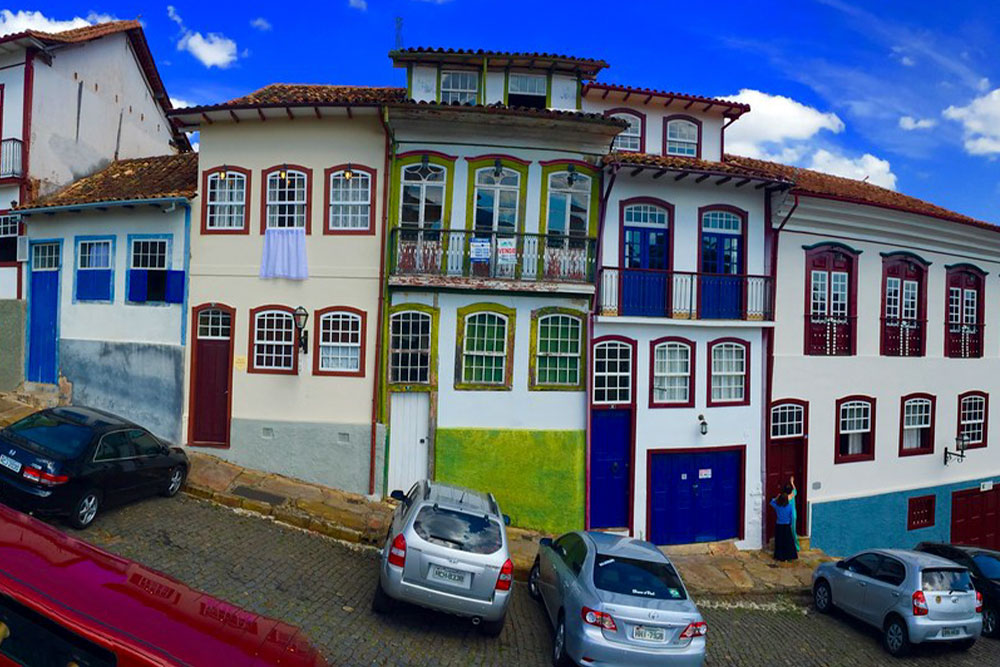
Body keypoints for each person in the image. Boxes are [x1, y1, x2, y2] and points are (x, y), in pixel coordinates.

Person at [770, 484, 798, 561]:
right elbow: (791, 516)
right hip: (786, 525)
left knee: (779, 541)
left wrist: (776, 498)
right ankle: (789, 556)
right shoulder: (789, 507)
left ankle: (779, 556)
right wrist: (791, 523)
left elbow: (771, 502)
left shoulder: (777, 506)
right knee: (788, 541)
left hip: (779, 525)